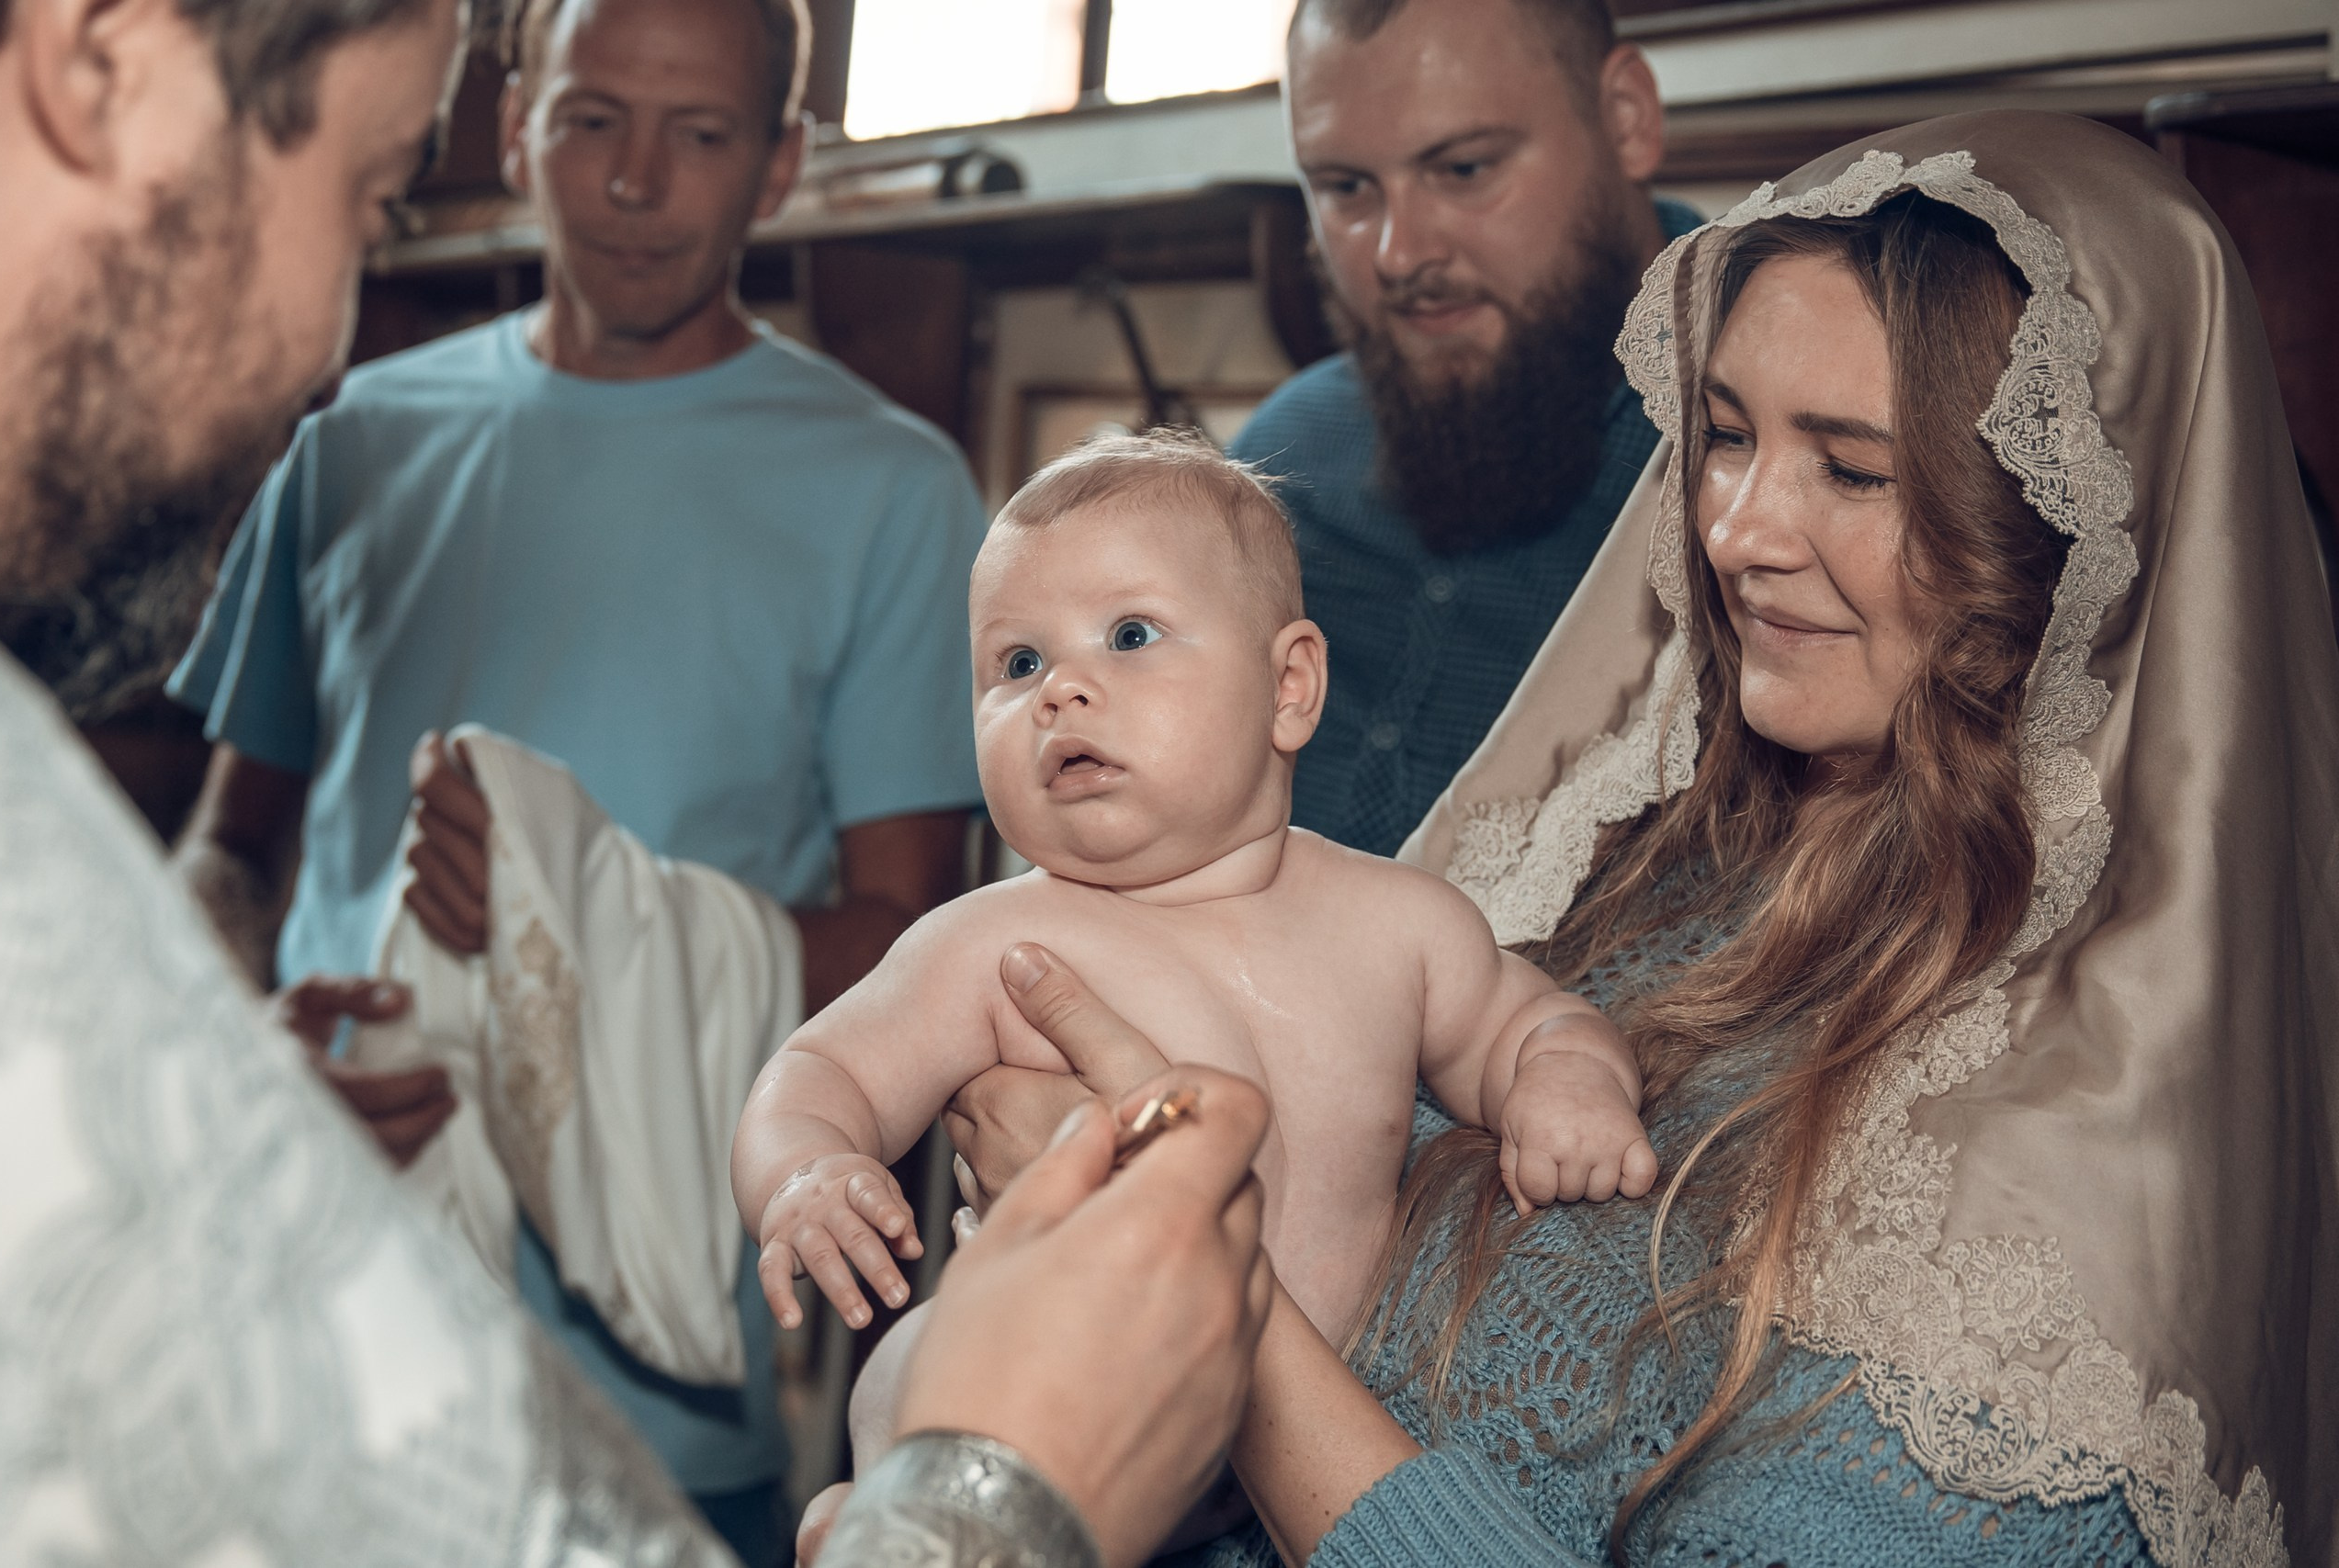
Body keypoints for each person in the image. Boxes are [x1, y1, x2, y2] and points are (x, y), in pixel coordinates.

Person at [873, 112, 2337, 1566]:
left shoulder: (2075, 1192)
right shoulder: (1635, 865)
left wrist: (1198, 1270)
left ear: (2069, 528)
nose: (1739, 529)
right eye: (1726, 437)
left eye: (1851, 467)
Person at [163, 0, 989, 1551]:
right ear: (516, 118)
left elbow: (907, 939)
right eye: (595, 118)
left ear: (782, 163)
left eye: (701, 134)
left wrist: (583, 916)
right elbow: (219, 853)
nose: (633, 181)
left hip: (657, 1378)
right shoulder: (345, 444)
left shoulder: (892, 491)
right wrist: (250, 1066)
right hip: (313, 1292)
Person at [733, 434, 1652, 1361]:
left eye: (1128, 636)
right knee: (899, 1379)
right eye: (1016, 664)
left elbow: (1533, 1026)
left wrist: (1565, 1083)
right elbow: (823, 1073)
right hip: (1061, 1435)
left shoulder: (1399, 927)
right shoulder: (993, 947)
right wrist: (807, 1169)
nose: (1060, 690)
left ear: (1288, 688)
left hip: (1312, 1458)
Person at [1227, 0, 1697, 858]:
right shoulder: (1282, 453)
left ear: (1626, 118)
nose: (1399, 255)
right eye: (1346, 189)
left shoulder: (1772, 441)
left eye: (1465, 169)